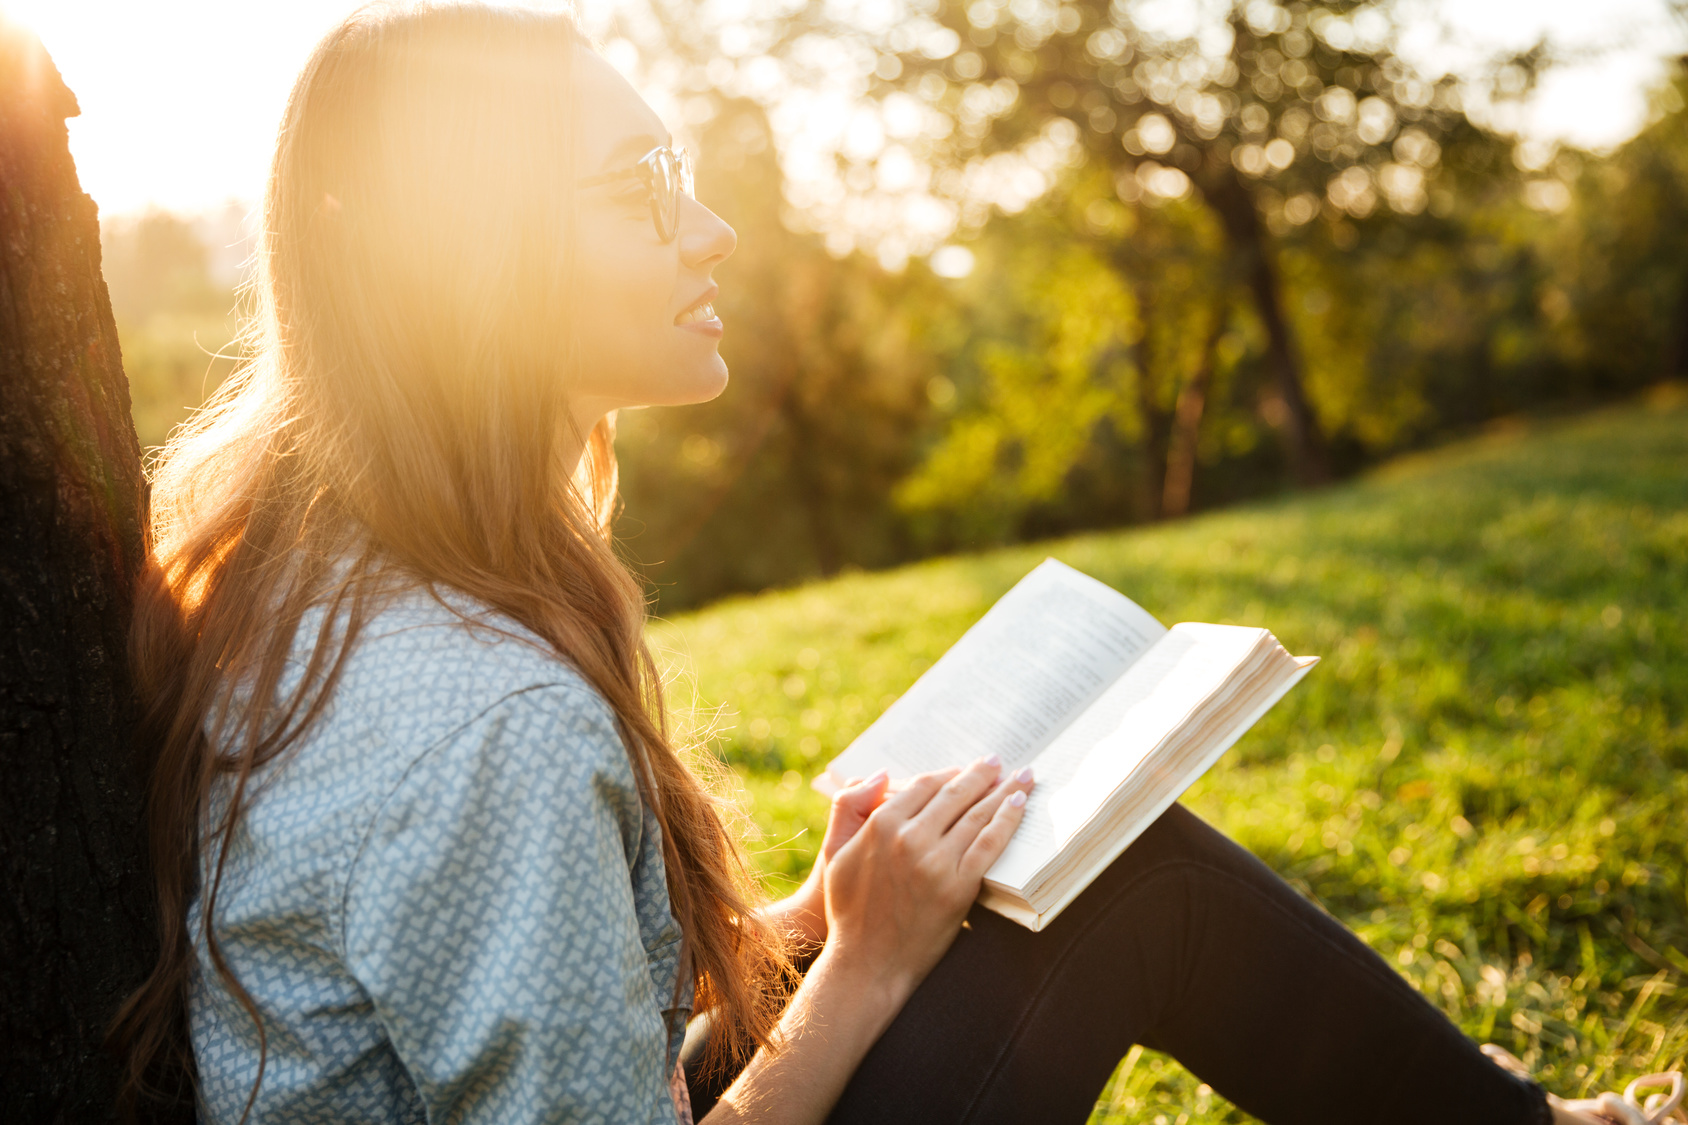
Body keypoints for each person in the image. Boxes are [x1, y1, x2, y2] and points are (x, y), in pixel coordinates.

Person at [111, 5, 1683, 1125]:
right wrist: (862, 966)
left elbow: (498, 1010)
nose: (711, 232)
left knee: (1077, 840)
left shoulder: (329, 574)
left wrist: (799, 919)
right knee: (1121, 889)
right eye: (640, 190)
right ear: (472, 262)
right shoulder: (483, 715)